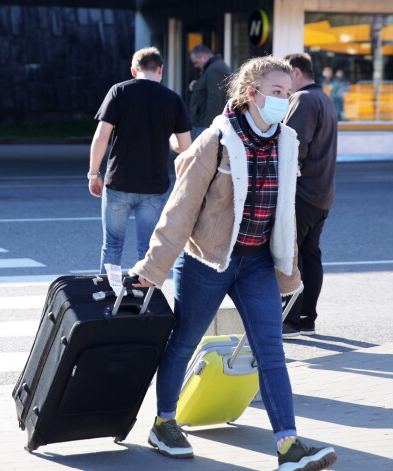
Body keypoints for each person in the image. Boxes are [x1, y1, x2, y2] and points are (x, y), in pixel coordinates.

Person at [130, 56, 337, 471]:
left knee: (271, 350)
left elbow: (285, 215)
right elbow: (180, 210)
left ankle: (288, 445)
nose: (284, 100)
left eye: (288, 94)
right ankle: (164, 423)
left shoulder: (286, 140)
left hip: (257, 262)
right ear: (251, 93)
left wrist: (290, 272)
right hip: (208, 260)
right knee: (185, 340)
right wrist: (152, 270)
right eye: (276, 93)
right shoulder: (217, 140)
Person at [88, 47, 192, 274]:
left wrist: (93, 173)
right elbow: (186, 148)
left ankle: (109, 295)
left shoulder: (119, 91)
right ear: (161, 69)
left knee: (112, 246)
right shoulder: (173, 99)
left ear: (134, 71)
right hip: (154, 187)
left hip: (118, 183)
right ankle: (144, 299)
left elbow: (101, 136)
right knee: (147, 250)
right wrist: (170, 142)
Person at [282, 53, 338, 338]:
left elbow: (292, 148)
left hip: (302, 192)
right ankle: (306, 319)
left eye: (284, 78)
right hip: (322, 191)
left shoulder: (302, 100)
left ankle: (290, 320)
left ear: (295, 72)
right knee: (310, 254)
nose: (283, 86)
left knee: (291, 255)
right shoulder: (324, 98)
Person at [188, 44, 231, 139]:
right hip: (206, 123)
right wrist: (197, 85)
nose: (195, 66)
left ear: (204, 56)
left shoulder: (214, 69)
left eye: (196, 62)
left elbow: (215, 99)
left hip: (207, 125)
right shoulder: (213, 67)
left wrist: (209, 127)